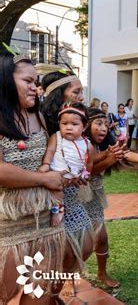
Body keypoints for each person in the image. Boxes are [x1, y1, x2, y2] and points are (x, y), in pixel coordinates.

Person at [0, 50, 68, 303]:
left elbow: (48, 156)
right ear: (6, 80)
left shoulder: (37, 116)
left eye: (36, 83)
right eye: (27, 81)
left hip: (45, 222)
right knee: (3, 293)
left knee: (38, 293)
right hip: (8, 225)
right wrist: (44, 179)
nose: (35, 88)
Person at [82, 108, 138, 288]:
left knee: (101, 238)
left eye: (105, 124)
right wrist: (109, 160)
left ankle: (102, 273)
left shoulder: (105, 145)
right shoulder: (80, 144)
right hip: (76, 198)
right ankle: (68, 278)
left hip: (94, 196)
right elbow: (88, 172)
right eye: (98, 124)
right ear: (86, 125)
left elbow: (123, 154)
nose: (103, 128)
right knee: (79, 242)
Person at [39, 103, 94, 226]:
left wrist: (85, 175)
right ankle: (58, 211)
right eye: (65, 124)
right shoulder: (56, 137)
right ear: (59, 124)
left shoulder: (87, 144)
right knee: (57, 194)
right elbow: (50, 150)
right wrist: (46, 164)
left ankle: (63, 210)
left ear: (84, 127)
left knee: (70, 198)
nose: (69, 127)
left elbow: (89, 161)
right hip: (55, 174)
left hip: (73, 178)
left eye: (74, 124)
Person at [41, 70, 84, 136]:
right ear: (58, 95)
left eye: (82, 92)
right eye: (76, 92)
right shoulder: (40, 122)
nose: (82, 98)